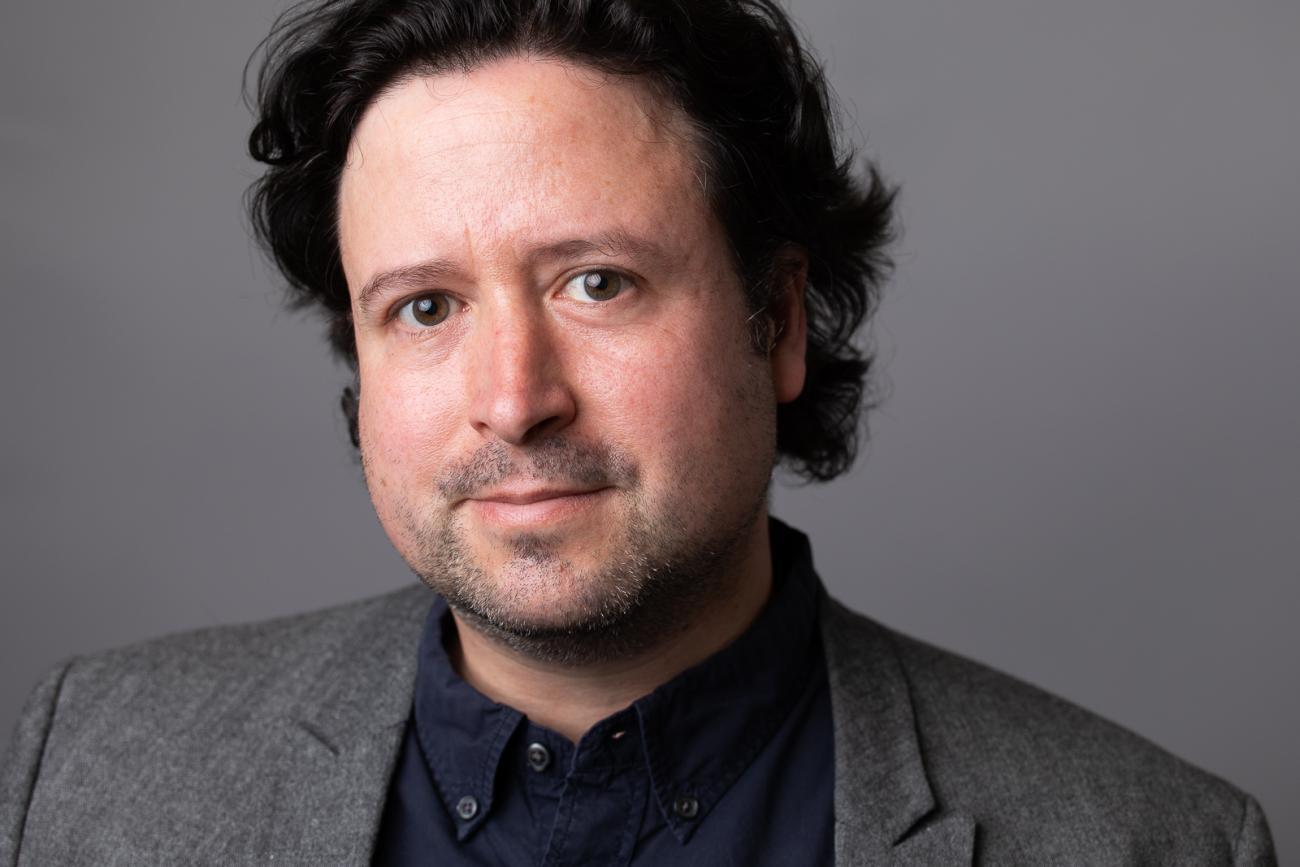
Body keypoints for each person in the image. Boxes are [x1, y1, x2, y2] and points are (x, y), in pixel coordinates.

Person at [0, 0, 1278, 864]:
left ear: (777, 322)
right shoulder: (87, 770)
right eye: (426, 306)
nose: (515, 398)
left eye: (596, 283)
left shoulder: (1149, 842)